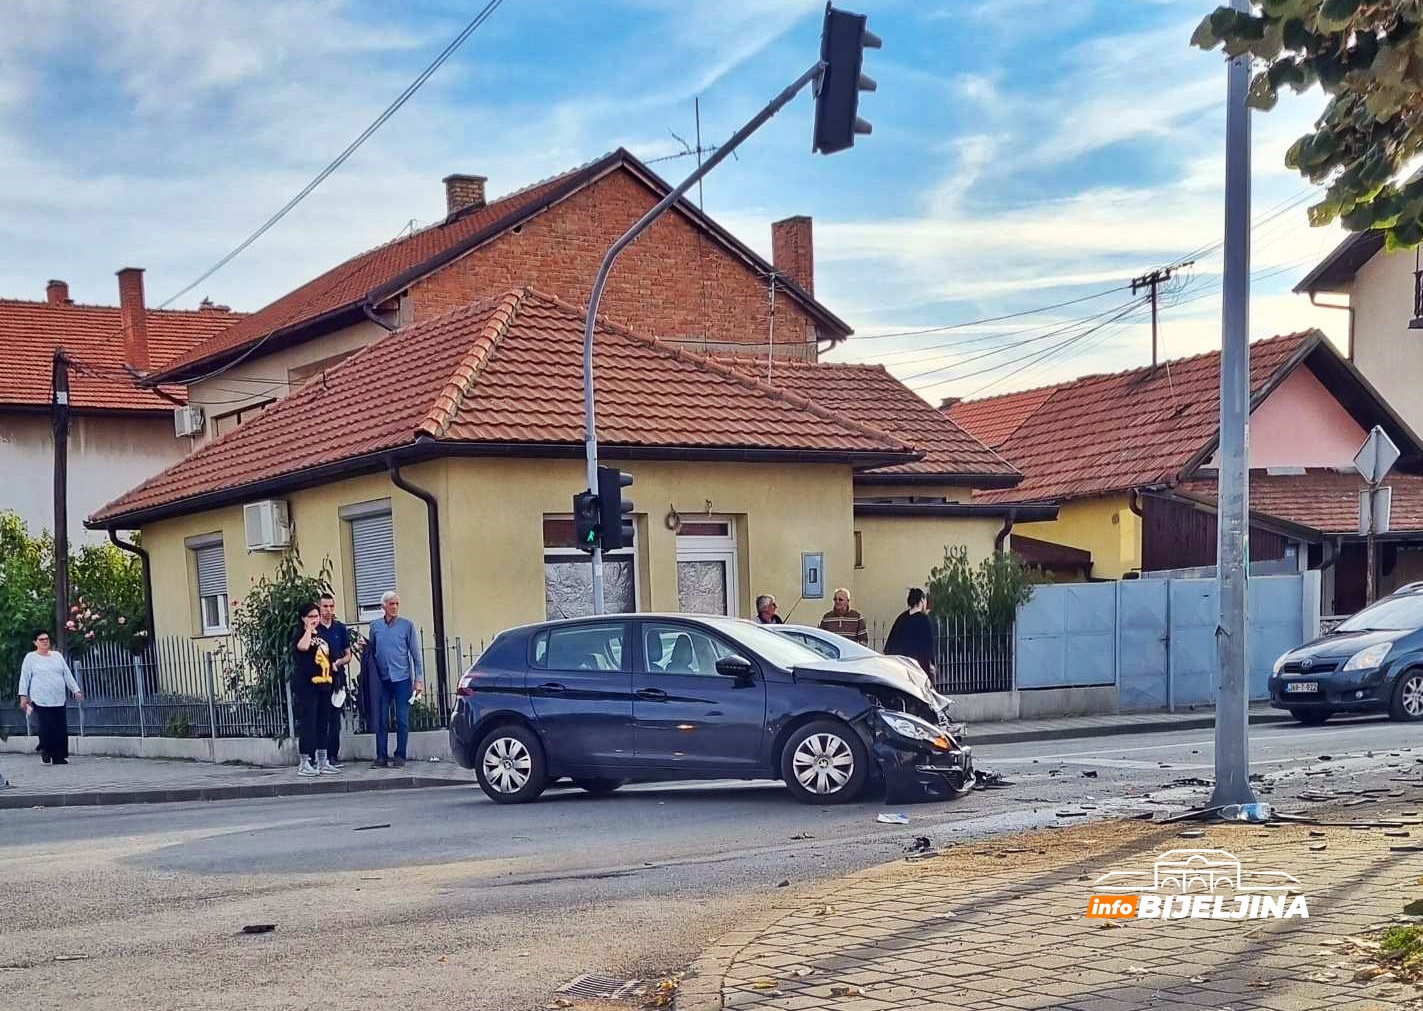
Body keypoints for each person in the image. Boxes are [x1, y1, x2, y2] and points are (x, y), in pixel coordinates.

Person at [366, 591, 423, 769]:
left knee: (402, 719)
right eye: (391, 604)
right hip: (383, 679)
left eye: (397, 604)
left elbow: (416, 655)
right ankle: (381, 756)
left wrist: (418, 679)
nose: (395, 607)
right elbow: (373, 650)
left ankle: (400, 755)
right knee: (381, 718)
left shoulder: (407, 626)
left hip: (402, 679)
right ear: (383, 606)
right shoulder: (375, 626)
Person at [17, 630, 83, 765]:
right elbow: (24, 678)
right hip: (40, 699)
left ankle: (59, 756)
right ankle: (46, 749)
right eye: (41, 639)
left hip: (58, 698)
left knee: (60, 728)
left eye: (47, 639)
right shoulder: (30, 658)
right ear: (35, 642)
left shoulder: (57, 656)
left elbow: (67, 674)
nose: (45, 641)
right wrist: (23, 696)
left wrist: (76, 690)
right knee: (46, 727)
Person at [292, 602, 339, 777]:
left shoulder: (323, 636)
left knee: (323, 723)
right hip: (307, 686)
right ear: (303, 618)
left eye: (316, 616)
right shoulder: (300, 635)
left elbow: (330, 657)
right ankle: (305, 762)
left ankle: (322, 760)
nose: (315, 619)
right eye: (311, 616)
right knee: (308, 724)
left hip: (324, 685)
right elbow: (302, 648)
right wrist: (308, 630)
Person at [317, 593, 353, 769]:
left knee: (335, 720)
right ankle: (319, 755)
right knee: (321, 718)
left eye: (331, 606)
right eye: (325, 606)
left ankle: (333, 755)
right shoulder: (315, 629)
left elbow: (348, 655)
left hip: (337, 679)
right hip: (320, 679)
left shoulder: (339, 628)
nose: (328, 610)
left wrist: (338, 662)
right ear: (319, 607)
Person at [883, 588, 936, 677]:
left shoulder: (901, 618)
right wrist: (932, 663)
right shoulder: (923, 620)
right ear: (922, 600)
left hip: (901, 664)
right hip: (919, 665)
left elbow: (891, 642)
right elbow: (928, 643)